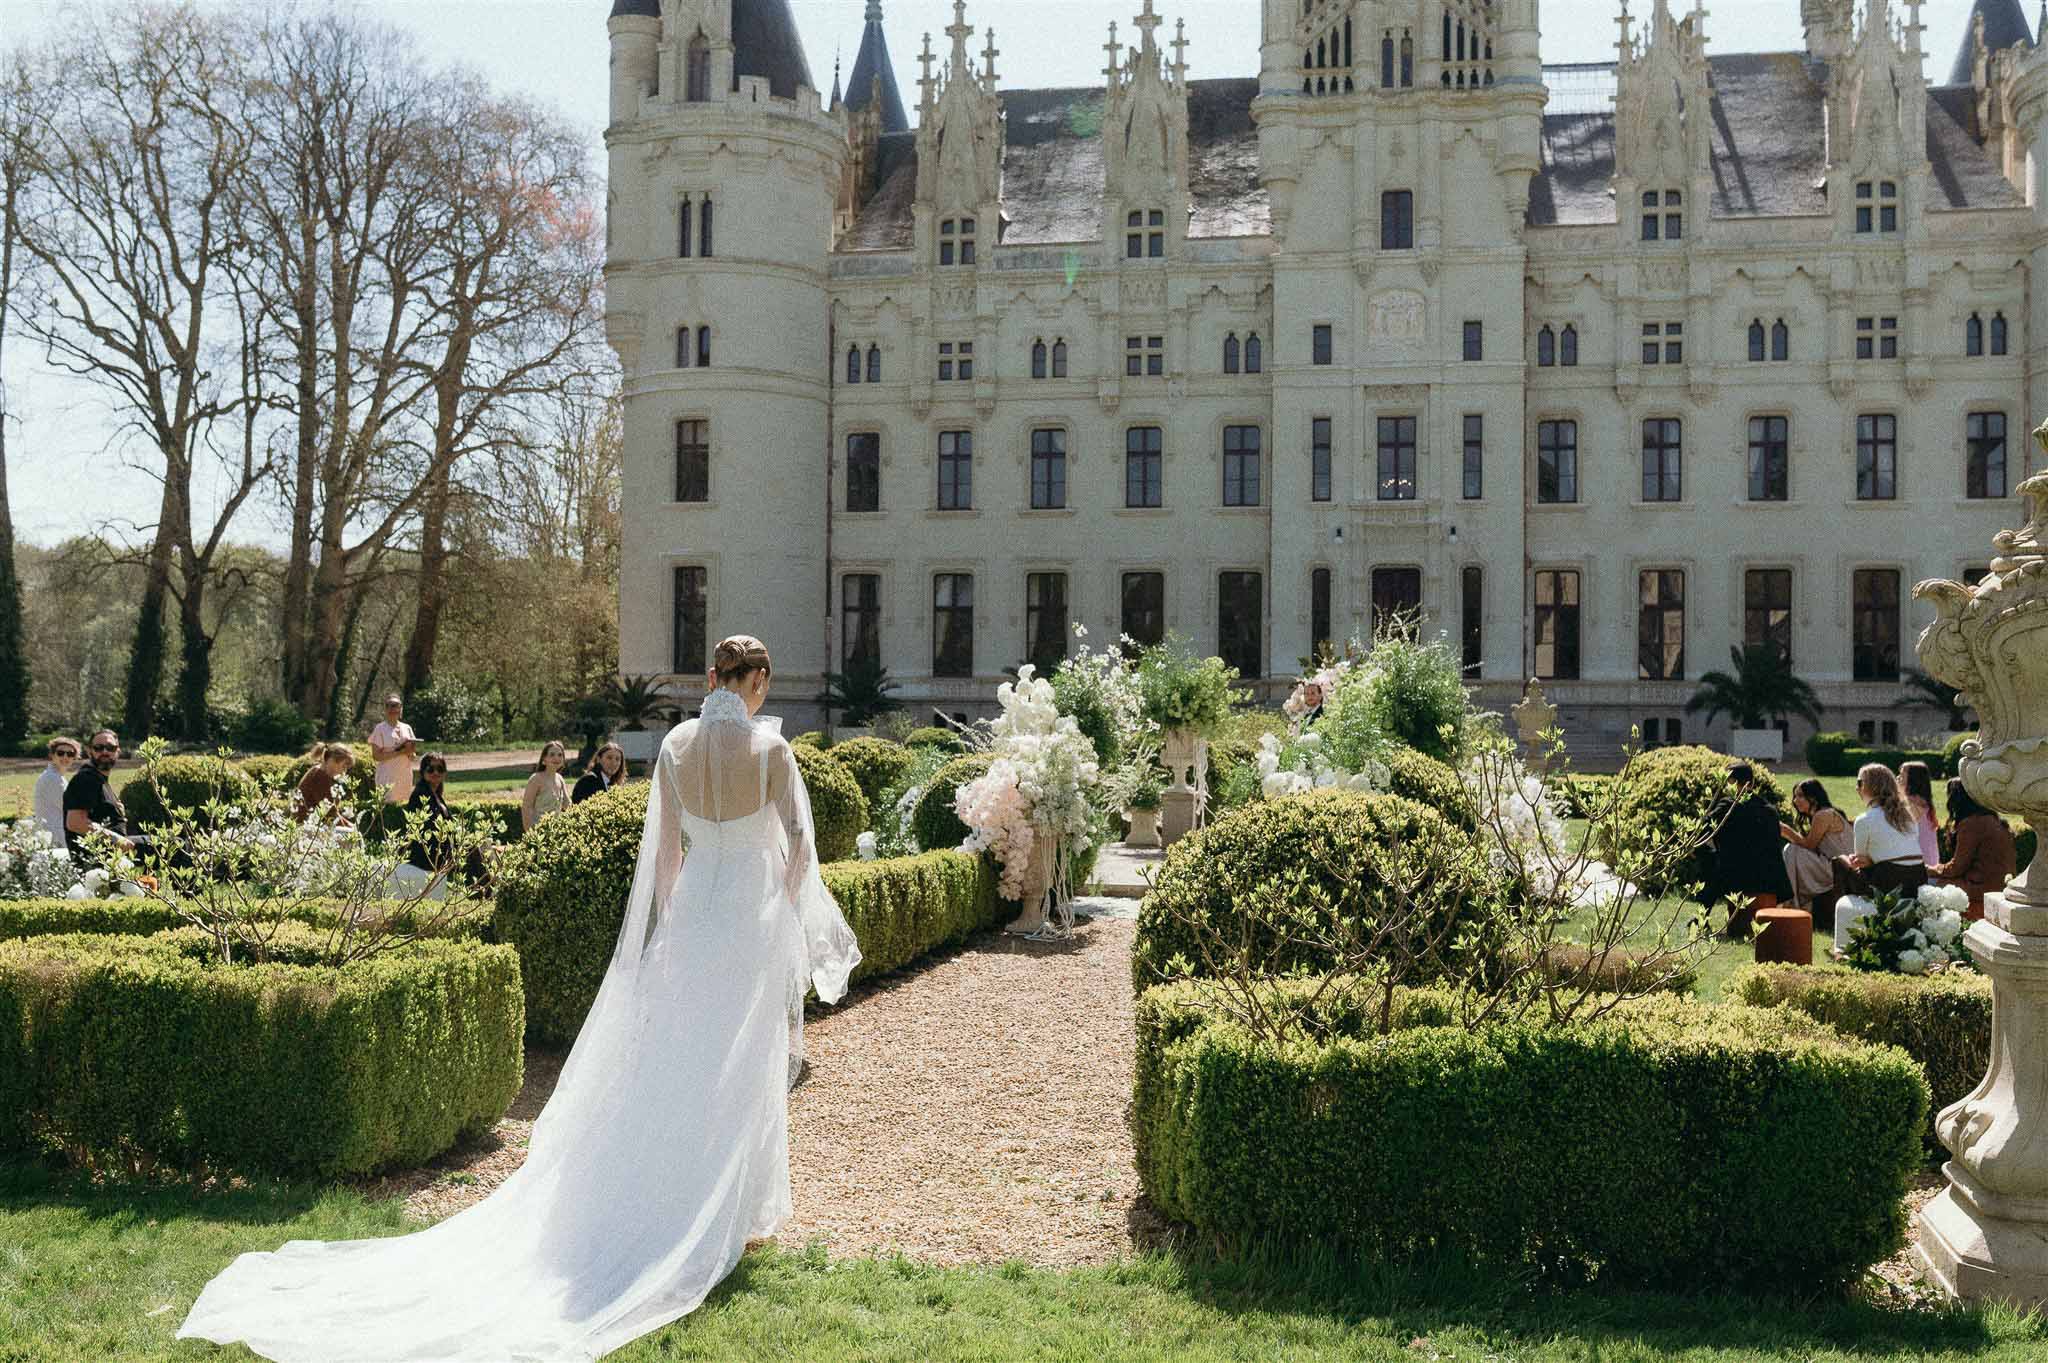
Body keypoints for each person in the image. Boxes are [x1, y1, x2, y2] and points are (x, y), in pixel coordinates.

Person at [180, 634, 863, 1362]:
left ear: (709, 677)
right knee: (739, 1060)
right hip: (747, 922)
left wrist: (669, 926)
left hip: (695, 916)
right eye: (764, 681)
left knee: (679, 1060)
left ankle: (686, 1200)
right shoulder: (773, 753)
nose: (763, 691)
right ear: (755, 679)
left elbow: (664, 856)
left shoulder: (677, 749)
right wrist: (779, 914)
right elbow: (798, 849)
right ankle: (736, 1215)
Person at [1697, 763, 1791, 935]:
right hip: (1770, 878)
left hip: (1735, 875)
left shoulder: (1728, 806)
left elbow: (1699, 832)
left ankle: (1702, 919)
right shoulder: (1769, 810)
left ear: (1739, 784)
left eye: (1729, 782)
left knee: (1711, 861)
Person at [1832, 763, 1929, 900]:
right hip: (1918, 880)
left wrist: (1872, 860)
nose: (1856, 788)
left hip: (1888, 885)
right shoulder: (1909, 817)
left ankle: (1829, 920)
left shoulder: (1864, 820)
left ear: (1872, 786)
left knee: (1839, 861)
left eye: (1859, 783)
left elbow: (1861, 860)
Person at [61, 729, 153, 867]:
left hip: (115, 855)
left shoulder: (99, 780)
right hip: (99, 860)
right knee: (176, 847)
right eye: (98, 748)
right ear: (90, 751)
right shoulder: (85, 779)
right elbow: (75, 822)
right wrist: (118, 840)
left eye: (110, 748)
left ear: (118, 751)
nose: (105, 752)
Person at [1931, 778, 2017, 920]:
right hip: (1999, 885)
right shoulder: (1990, 819)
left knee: (1927, 884)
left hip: (1982, 888)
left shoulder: (1971, 824)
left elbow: (1957, 868)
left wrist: (1930, 869)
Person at [403, 751, 488, 886]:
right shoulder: (420, 795)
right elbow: (430, 828)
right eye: (431, 769)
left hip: (440, 848)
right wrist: (455, 842)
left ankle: (484, 888)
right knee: (472, 849)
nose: (436, 773)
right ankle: (483, 890)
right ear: (422, 772)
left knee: (480, 844)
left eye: (440, 769)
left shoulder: (435, 794)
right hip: (429, 853)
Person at [1780, 778, 1854, 914]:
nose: (1795, 801)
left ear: (1813, 797)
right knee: (1792, 850)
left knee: (1791, 850)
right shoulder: (1819, 815)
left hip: (1841, 869)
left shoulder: (1823, 814)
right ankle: (1792, 902)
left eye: (1801, 796)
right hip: (1831, 865)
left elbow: (1809, 845)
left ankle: (1791, 903)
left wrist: (1786, 831)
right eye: (1795, 796)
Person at [368, 695, 419, 805]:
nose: (392, 709)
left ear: (400, 709)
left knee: (405, 807)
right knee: (387, 807)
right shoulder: (380, 728)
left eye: (396, 706)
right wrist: (399, 752)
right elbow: (376, 756)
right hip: (387, 776)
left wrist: (411, 753)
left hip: (404, 775)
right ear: (385, 710)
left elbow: (412, 754)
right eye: (389, 706)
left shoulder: (407, 728)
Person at [292, 744, 358, 828]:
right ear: (333, 760)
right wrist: (351, 827)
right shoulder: (320, 776)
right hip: (304, 827)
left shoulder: (318, 771)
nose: (343, 772)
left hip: (307, 824)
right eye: (344, 766)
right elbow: (330, 814)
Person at [34, 736, 79, 851]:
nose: (65, 757)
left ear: (74, 758)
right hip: (54, 839)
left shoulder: (57, 777)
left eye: (70, 754)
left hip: (55, 835)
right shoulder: (52, 778)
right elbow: (72, 809)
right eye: (60, 753)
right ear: (52, 755)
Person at [1899, 760, 1942, 867]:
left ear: (1913, 781)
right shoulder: (1924, 801)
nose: (1898, 778)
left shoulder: (1912, 803)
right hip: (1931, 860)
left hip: (1921, 863)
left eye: (1902, 775)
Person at [522, 740, 571, 834]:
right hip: (538, 834)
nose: (556, 758)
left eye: (560, 755)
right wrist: (530, 834)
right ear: (544, 759)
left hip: (556, 833)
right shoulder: (536, 779)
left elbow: (568, 805)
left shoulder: (560, 779)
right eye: (552, 755)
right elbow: (526, 808)